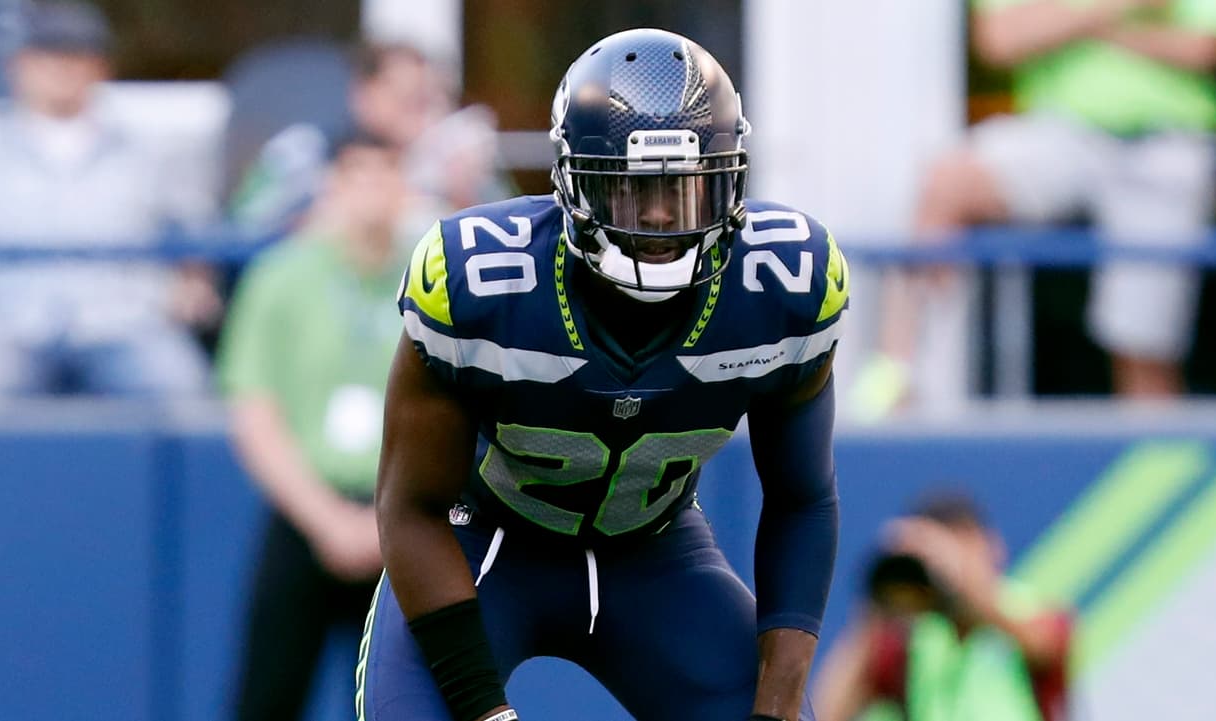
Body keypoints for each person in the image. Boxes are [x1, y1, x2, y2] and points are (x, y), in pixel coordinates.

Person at [357, 28, 849, 721]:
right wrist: (483, 711)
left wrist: (777, 705)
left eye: (682, 188)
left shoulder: (783, 286)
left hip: (657, 553)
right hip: (484, 545)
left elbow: (803, 499)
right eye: (627, 188)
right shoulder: (478, 283)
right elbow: (410, 510)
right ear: (571, 184)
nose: (656, 216)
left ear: (730, 180)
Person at [852, 0, 1216, 420]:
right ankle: (895, 378)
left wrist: (1061, 25)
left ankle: (1152, 465)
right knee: (946, 184)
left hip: (1165, 146)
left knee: (1144, 350)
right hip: (1058, 131)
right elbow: (1000, 40)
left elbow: (1202, 49)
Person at [218, 132, 415, 721]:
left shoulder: (433, 277)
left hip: (405, 522)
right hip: (306, 516)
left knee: (410, 704)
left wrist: (390, 518)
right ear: (331, 185)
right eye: (357, 174)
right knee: (267, 696)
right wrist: (328, 521)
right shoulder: (281, 278)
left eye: (387, 174)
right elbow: (253, 413)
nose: (372, 192)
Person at [0, 0, 218, 398]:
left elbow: (195, 230)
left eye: (77, 55)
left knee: (183, 387)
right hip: (11, 321)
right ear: (18, 65)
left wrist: (193, 281)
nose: (62, 69)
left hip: (122, 320)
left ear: (102, 67)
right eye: (48, 55)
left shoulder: (147, 146)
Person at [814, 493, 1074, 721]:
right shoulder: (909, 638)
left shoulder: (1030, 611)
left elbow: (1043, 647)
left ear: (993, 546)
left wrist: (960, 582)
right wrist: (879, 599)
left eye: (962, 545)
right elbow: (829, 712)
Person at [227, 40, 454, 235]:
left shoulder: (437, 164)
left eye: (424, 100)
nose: (417, 113)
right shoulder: (303, 150)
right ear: (363, 92)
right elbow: (247, 221)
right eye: (404, 97)